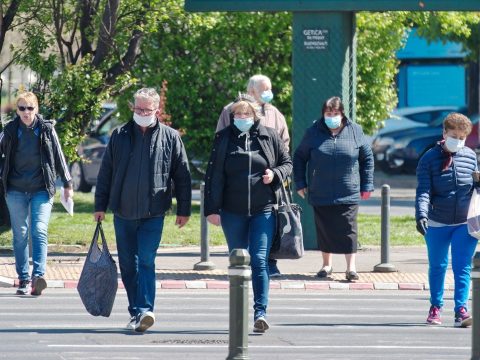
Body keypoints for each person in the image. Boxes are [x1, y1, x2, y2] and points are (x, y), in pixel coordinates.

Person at [94, 87, 191, 332]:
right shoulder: (119, 135)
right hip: (123, 212)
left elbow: (183, 176)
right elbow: (106, 173)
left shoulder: (170, 137)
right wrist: (99, 205)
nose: (141, 112)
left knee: (146, 260)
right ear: (133, 108)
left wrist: (184, 209)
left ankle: (146, 309)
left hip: (154, 213)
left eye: (146, 109)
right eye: (138, 108)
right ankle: (136, 311)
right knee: (128, 265)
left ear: (157, 110)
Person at [205, 96, 292, 333]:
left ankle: (260, 312)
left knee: (259, 259)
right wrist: (211, 209)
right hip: (232, 212)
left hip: (263, 211)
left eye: (246, 115)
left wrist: (274, 174)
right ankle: (238, 310)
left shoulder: (269, 135)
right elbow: (212, 175)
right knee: (238, 261)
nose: (242, 119)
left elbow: (287, 163)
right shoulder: (223, 138)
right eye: (237, 115)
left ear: (255, 116)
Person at [293, 96, 374, 281]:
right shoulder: (313, 132)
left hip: (349, 190)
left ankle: (351, 268)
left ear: (342, 113)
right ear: (323, 114)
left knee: (348, 228)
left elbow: (367, 158)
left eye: (336, 113)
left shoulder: (355, 130)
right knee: (324, 228)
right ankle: (326, 265)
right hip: (320, 190)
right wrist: (300, 183)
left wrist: (367, 184)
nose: (332, 117)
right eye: (328, 113)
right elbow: (299, 157)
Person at [0, 91, 73, 296]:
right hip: (15, 190)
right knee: (20, 234)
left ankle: (38, 277)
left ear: (36, 109)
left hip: (41, 188)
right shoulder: (10, 130)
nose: (26, 112)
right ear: (17, 110)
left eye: (30, 108)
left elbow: (59, 155)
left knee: (39, 230)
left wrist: (67, 183)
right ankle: (23, 278)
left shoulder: (47, 129)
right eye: (22, 108)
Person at [216, 74, 289, 278]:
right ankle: (243, 267)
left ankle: (269, 263)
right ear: (251, 92)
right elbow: (220, 141)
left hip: (267, 185)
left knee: (267, 232)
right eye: (263, 89)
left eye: (270, 88)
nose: (268, 93)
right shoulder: (229, 112)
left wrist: (275, 171)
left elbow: (284, 146)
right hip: (235, 191)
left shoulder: (275, 114)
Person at [415, 112, 478, 328]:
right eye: (454, 135)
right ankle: (435, 306)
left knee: (463, 267)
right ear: (444, 132)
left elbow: (474, 188)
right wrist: (421, 214)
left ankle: (461, 309)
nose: (458, 141)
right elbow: (423, 190)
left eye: (462, 137)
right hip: (437, 221)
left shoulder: (470, 156)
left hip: (464, 222)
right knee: (438, 265)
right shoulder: (429, 158)